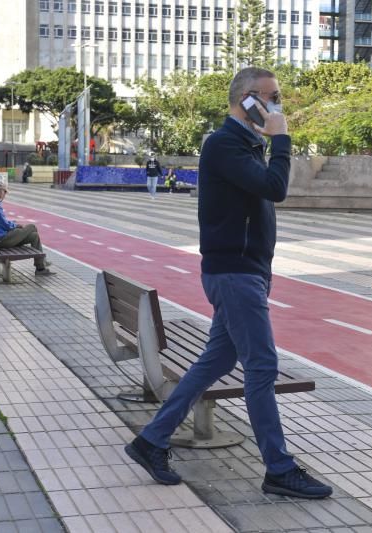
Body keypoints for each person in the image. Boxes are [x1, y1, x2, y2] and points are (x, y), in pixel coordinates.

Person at [124, 67, 333, 499]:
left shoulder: (243, 146)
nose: (278, 106)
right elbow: (276, 188)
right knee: (261, 368)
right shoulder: (224, 145)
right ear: (248, 99)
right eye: (271, 98)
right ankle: (278, 468)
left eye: (278, 98)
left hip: (245, 272)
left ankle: (150, 441)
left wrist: (268, 140)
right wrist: (281, 138)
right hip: (235, 274)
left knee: (216, 362)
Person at [0, 175, 53, 276]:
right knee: (32, 227)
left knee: (34, 236)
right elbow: (6, 226)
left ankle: (40, 268)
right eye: (5, 192)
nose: (5, 194)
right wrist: (15, 225)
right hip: (1, 240)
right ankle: (43, 262)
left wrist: (14, 224)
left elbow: (3, 223)